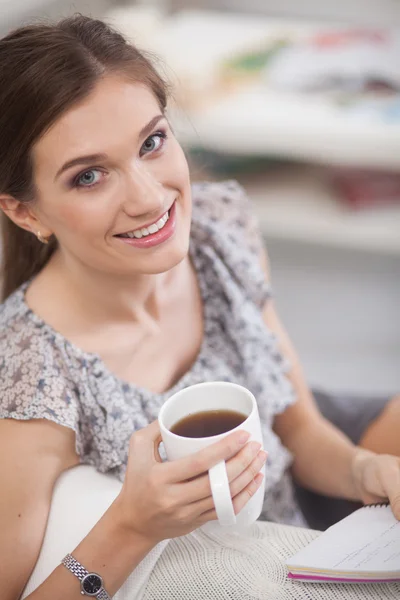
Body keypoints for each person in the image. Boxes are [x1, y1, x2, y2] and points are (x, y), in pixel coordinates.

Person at [0, 15, 399, 600]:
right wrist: (132, 526)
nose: (148, 197)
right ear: (25, 213)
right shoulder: (30, 379)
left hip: (296, 543)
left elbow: (302, 431)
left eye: (151, 142)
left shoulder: (220, 229)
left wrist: (365, 469)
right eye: (89, 176)